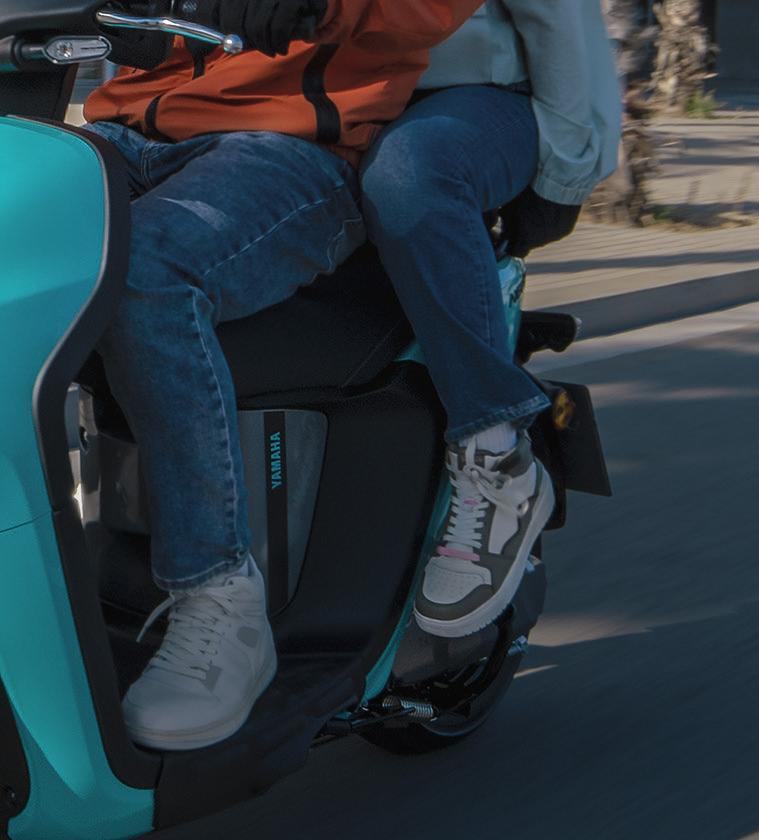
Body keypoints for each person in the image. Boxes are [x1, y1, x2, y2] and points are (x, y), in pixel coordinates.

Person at [82, 0, 483, 750]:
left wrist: (322, 5)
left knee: (143, 276)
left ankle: (218, 596)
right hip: (121, 130)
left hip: (288, 145)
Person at [359, 1, 621, 639]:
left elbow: (557, 16)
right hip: (313, 90)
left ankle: (497, 459)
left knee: (408, 176)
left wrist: (563, 171)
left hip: (478, 93)